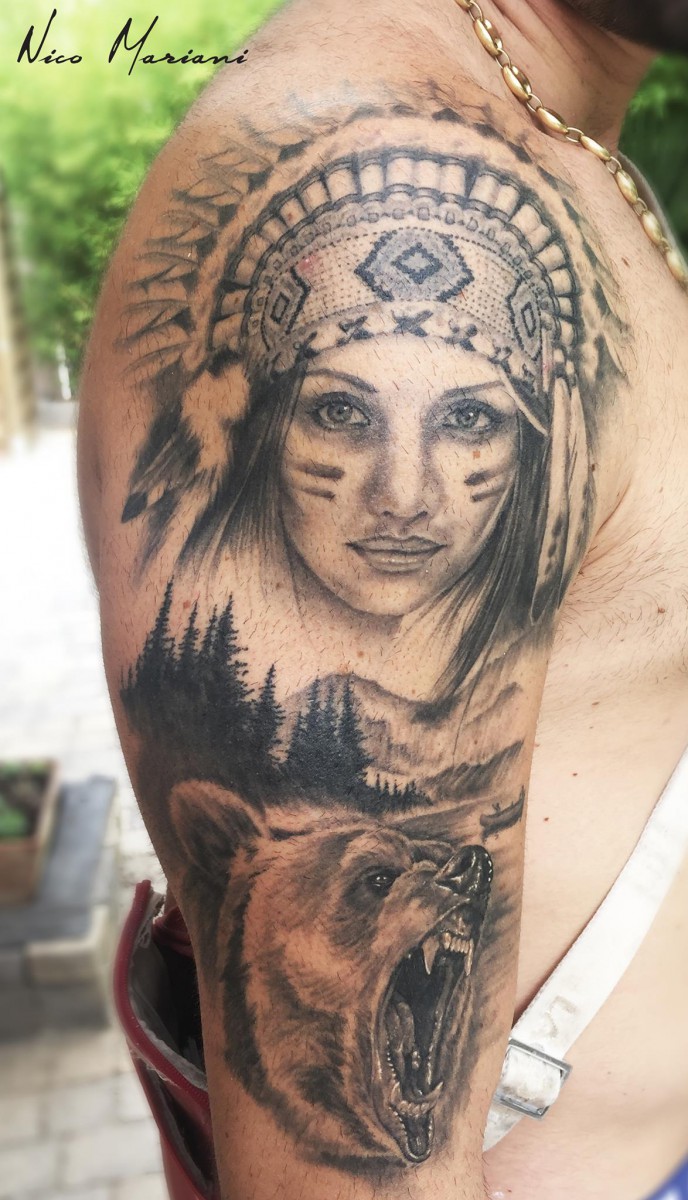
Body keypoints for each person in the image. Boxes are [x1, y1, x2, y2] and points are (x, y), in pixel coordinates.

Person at [77, 0, 688, 1197]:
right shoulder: (383, 163)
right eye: (340, 415)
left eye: (470, 423)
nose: (403, 499)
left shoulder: (553, 139)